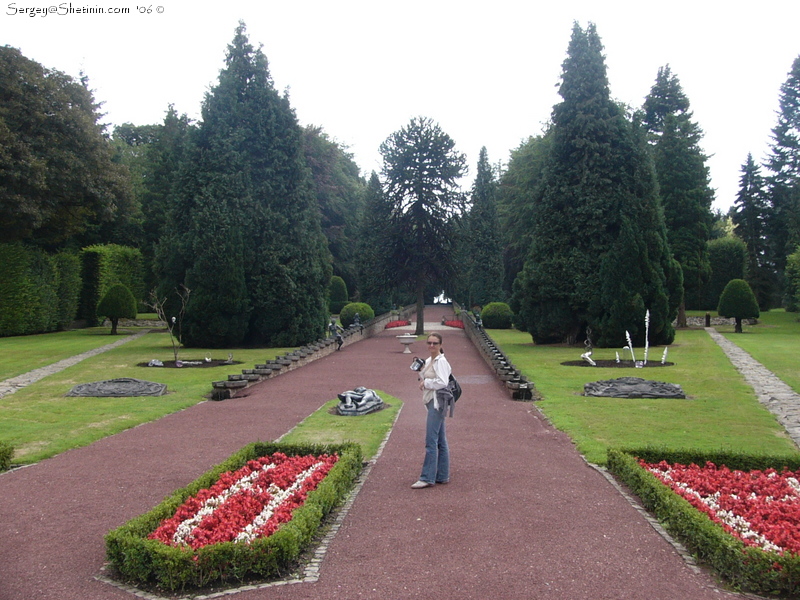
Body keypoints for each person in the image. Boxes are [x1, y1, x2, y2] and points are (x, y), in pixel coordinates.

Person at [411, 332, 452, 489]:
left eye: (435, 343)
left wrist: (426, 383)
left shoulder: (441, 361)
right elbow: (426, 376)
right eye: (429, 343)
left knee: (431, 441)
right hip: (432, 401)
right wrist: (421, 373)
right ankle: (442, 475)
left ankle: (427, 477)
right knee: (440, 439)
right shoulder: (430, 360)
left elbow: (442, 382)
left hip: (437, 403)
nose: (432, 346)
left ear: (441, 345)